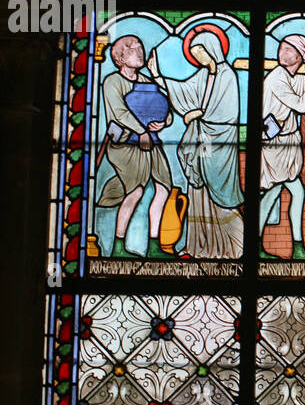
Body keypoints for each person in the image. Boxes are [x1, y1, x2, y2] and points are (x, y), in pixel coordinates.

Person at [150, 27, 243, 258]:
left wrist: (198, 115)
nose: (197, 57)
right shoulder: (203, 75)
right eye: (194, 52)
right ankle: (198, 246)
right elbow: (183, 90)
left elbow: (228, 113)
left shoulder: (227, 75)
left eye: (200, 51)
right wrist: (158, 76)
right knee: (197, 192)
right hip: (201, 140)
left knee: (218, 194)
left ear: (212, 49)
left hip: (220, 143)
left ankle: (232, 246)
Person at [97, 35, 173, 259]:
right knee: (135, 191)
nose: (139, 52)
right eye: (131, 49)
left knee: (163, 189)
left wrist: (164, 121)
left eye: (140, 48)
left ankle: (154, 245)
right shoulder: (113, 82)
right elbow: (119, 113)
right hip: (125, 145)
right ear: (119, 57)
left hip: (151, 141)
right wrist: (140, 131)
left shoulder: (147, 81)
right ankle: (118, 246)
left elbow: (166, 106)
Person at [260, 34, 305, 260]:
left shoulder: (290, 76)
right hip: (274, 144)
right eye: (281, 47)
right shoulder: (277, 77)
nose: (281, 52)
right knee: (293, 192)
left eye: (288, 49)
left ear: (298, 55)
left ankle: (263, 244)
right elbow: (303, 103)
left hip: (287, 143)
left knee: (274, 193)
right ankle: (296, 247)